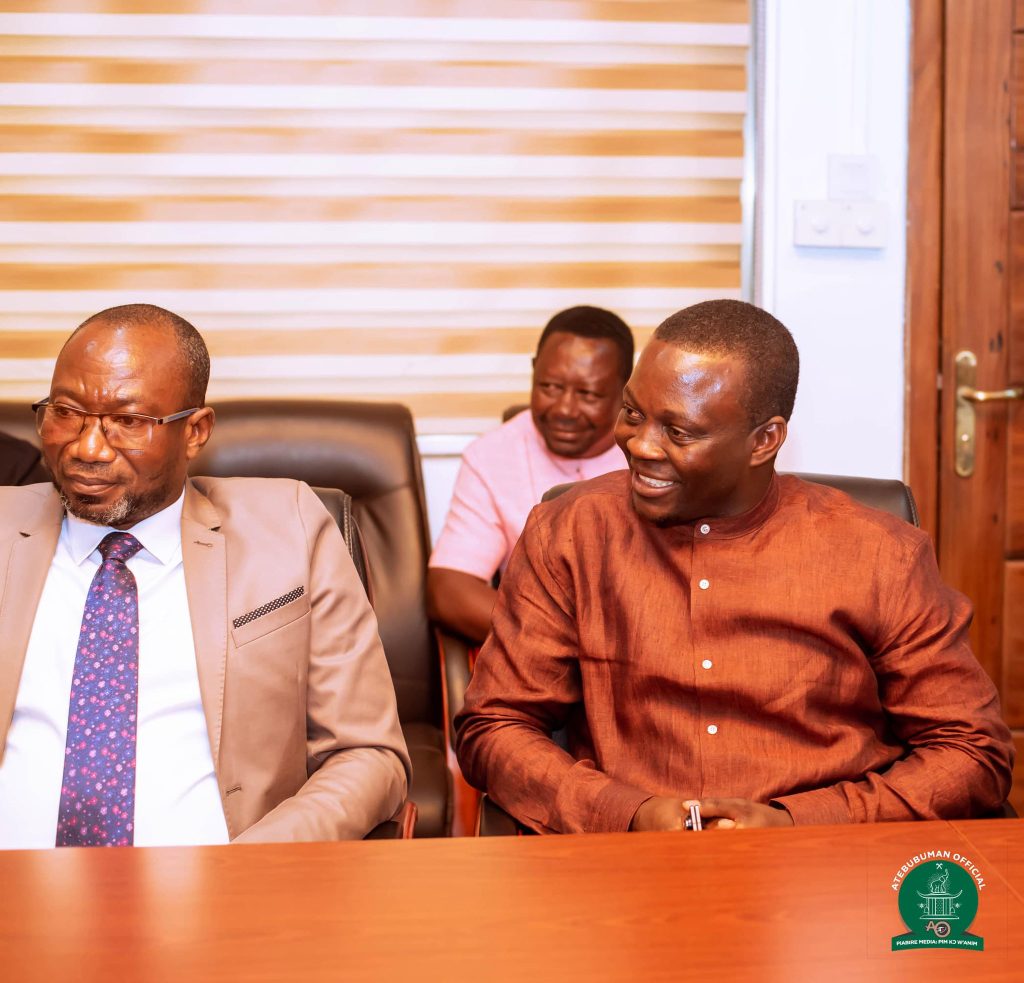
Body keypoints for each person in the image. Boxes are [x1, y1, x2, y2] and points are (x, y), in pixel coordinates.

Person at [456, 299, 1014, 833]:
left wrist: (802, 821)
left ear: (764, 440)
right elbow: (494, 726)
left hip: (826, 862)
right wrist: (627, 813)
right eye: (632, 414)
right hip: (623, 858)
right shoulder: (569, 532)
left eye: (679, 432)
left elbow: (972, 750)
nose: (641, 446)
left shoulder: (878, 553)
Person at [0, 304, 410, 848]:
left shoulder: (288, 528)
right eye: (66, 412)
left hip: (227, 885)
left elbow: (369, 754)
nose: (87, 448)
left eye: (128, 421)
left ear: (195, 431)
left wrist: (252, 866)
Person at [427, 306, 634, 642]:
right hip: (540, 649)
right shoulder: (491, 455)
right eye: (550, 387)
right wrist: (564, 641)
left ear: (626, 388)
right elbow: (449, 590)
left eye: (588, 394)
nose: (565, 409)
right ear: (534, 370)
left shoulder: (657, 451)